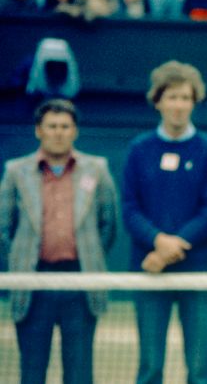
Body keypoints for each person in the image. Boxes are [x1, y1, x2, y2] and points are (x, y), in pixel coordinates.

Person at [0, 99, 118, 384]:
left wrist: (88, 258)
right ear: (39, 130)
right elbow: (3, 228)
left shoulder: (97, 169)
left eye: (65, 126)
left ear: (75, 131)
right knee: (32, 371)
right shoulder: (16, 171)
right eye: (52, 126)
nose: (58, 132)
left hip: (80, 285)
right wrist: (20, 263)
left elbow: (108, 225)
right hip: (33, 284)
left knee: (78, 373)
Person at [122, 60, 207, 384]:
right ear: (158, 101)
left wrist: (169, 249)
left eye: (184, 97)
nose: (178, 105)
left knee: (198, 368)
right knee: (150, 366)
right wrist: (157, 242)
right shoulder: (139, 149)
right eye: (172, 97)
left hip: (196, 272)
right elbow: (129, 208)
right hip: (149, 270)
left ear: (194, 101)